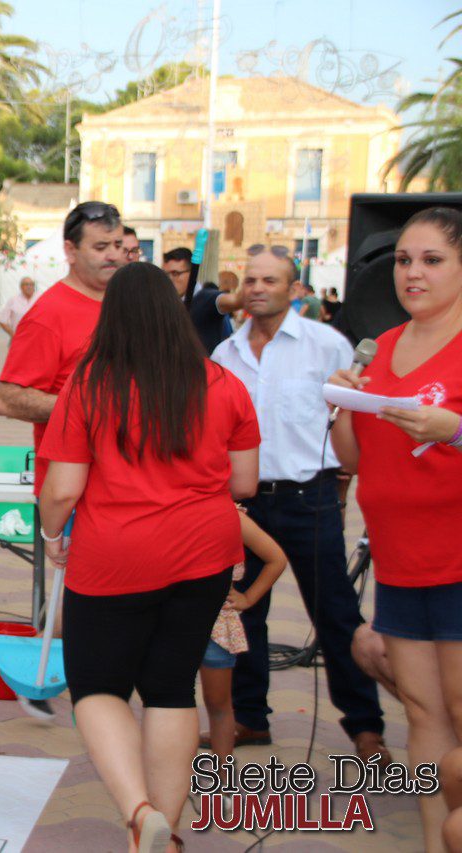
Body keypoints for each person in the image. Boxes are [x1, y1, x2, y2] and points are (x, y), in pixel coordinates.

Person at [38, 262, 261, 853]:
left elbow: (62, 490)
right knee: (169, 686)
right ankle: (165, 829)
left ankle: (139, 812)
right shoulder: (224, 384)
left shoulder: (90, 384)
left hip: (117, 554)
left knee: (97, 686)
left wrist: (52, 535)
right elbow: (244, 483)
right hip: (206, 553)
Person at [210, 242, 387, 763]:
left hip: (309, 498)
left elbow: (352, 416)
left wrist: (344, 483)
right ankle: (248, 719)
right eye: (252, 280)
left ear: (297, 290)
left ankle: (366, 728)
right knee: (241, 612)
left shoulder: (326, 345)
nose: (258, 289)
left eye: (270, 281)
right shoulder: (225, 354)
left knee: (335, 613)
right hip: (242, 504)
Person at [329, 207, 462, 852]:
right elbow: (357, 461)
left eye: (432, 260)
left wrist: (455, 430)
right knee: (424, 714)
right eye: (405, 260)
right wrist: (342, 406)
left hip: (459, 558)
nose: (413, 273)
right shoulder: (378, 346)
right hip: (400, 560)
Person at [0, 201, 124, 473]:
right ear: (70, 250)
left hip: (125, 482)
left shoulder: (126, 302)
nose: (113, 255)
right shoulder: (49, 314)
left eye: (117, 245)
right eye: (100, 247)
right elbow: (7, 400)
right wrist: (94, 408)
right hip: (70, 491)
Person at [200, 510, 286, 762]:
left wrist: (249, 597)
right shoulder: (160, 508)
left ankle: (223, 781)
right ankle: (168, 780)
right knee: (172, 702)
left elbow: (276, 558)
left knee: (218, 703)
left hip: (215, 622)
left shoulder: (228, 514)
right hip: (169, 621)